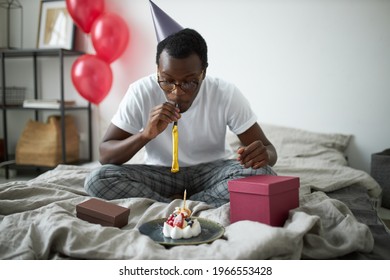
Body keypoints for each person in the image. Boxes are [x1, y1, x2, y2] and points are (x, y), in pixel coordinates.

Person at [84, 28, 277, 207]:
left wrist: (264, 155)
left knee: (264, 174)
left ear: (203, 73)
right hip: (161, 175)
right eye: (167, 81)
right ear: (157, 70)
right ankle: (194, 204)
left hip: (213, 173)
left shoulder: (225, 93)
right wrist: (145, 135)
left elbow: (270, 151)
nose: (176, 93)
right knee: (97, 179)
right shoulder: (140, 91)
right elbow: (105, 155)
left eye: (189, 82)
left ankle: (173, 206)